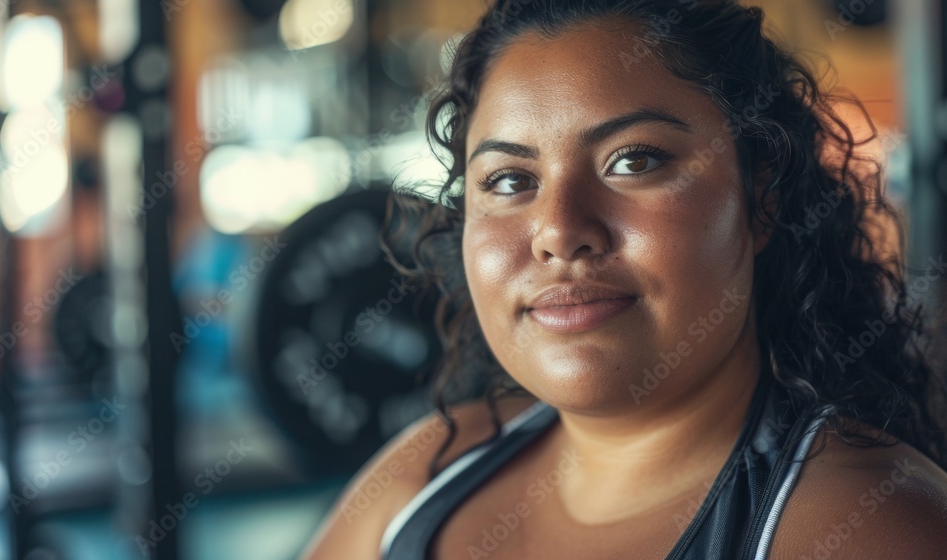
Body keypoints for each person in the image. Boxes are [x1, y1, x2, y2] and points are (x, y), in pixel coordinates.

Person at [301, 0, 947, 558]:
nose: (558, 230)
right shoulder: (424, 477)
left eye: (632, 161)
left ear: (762, 197)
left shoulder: (871, 526)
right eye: (509, 181)